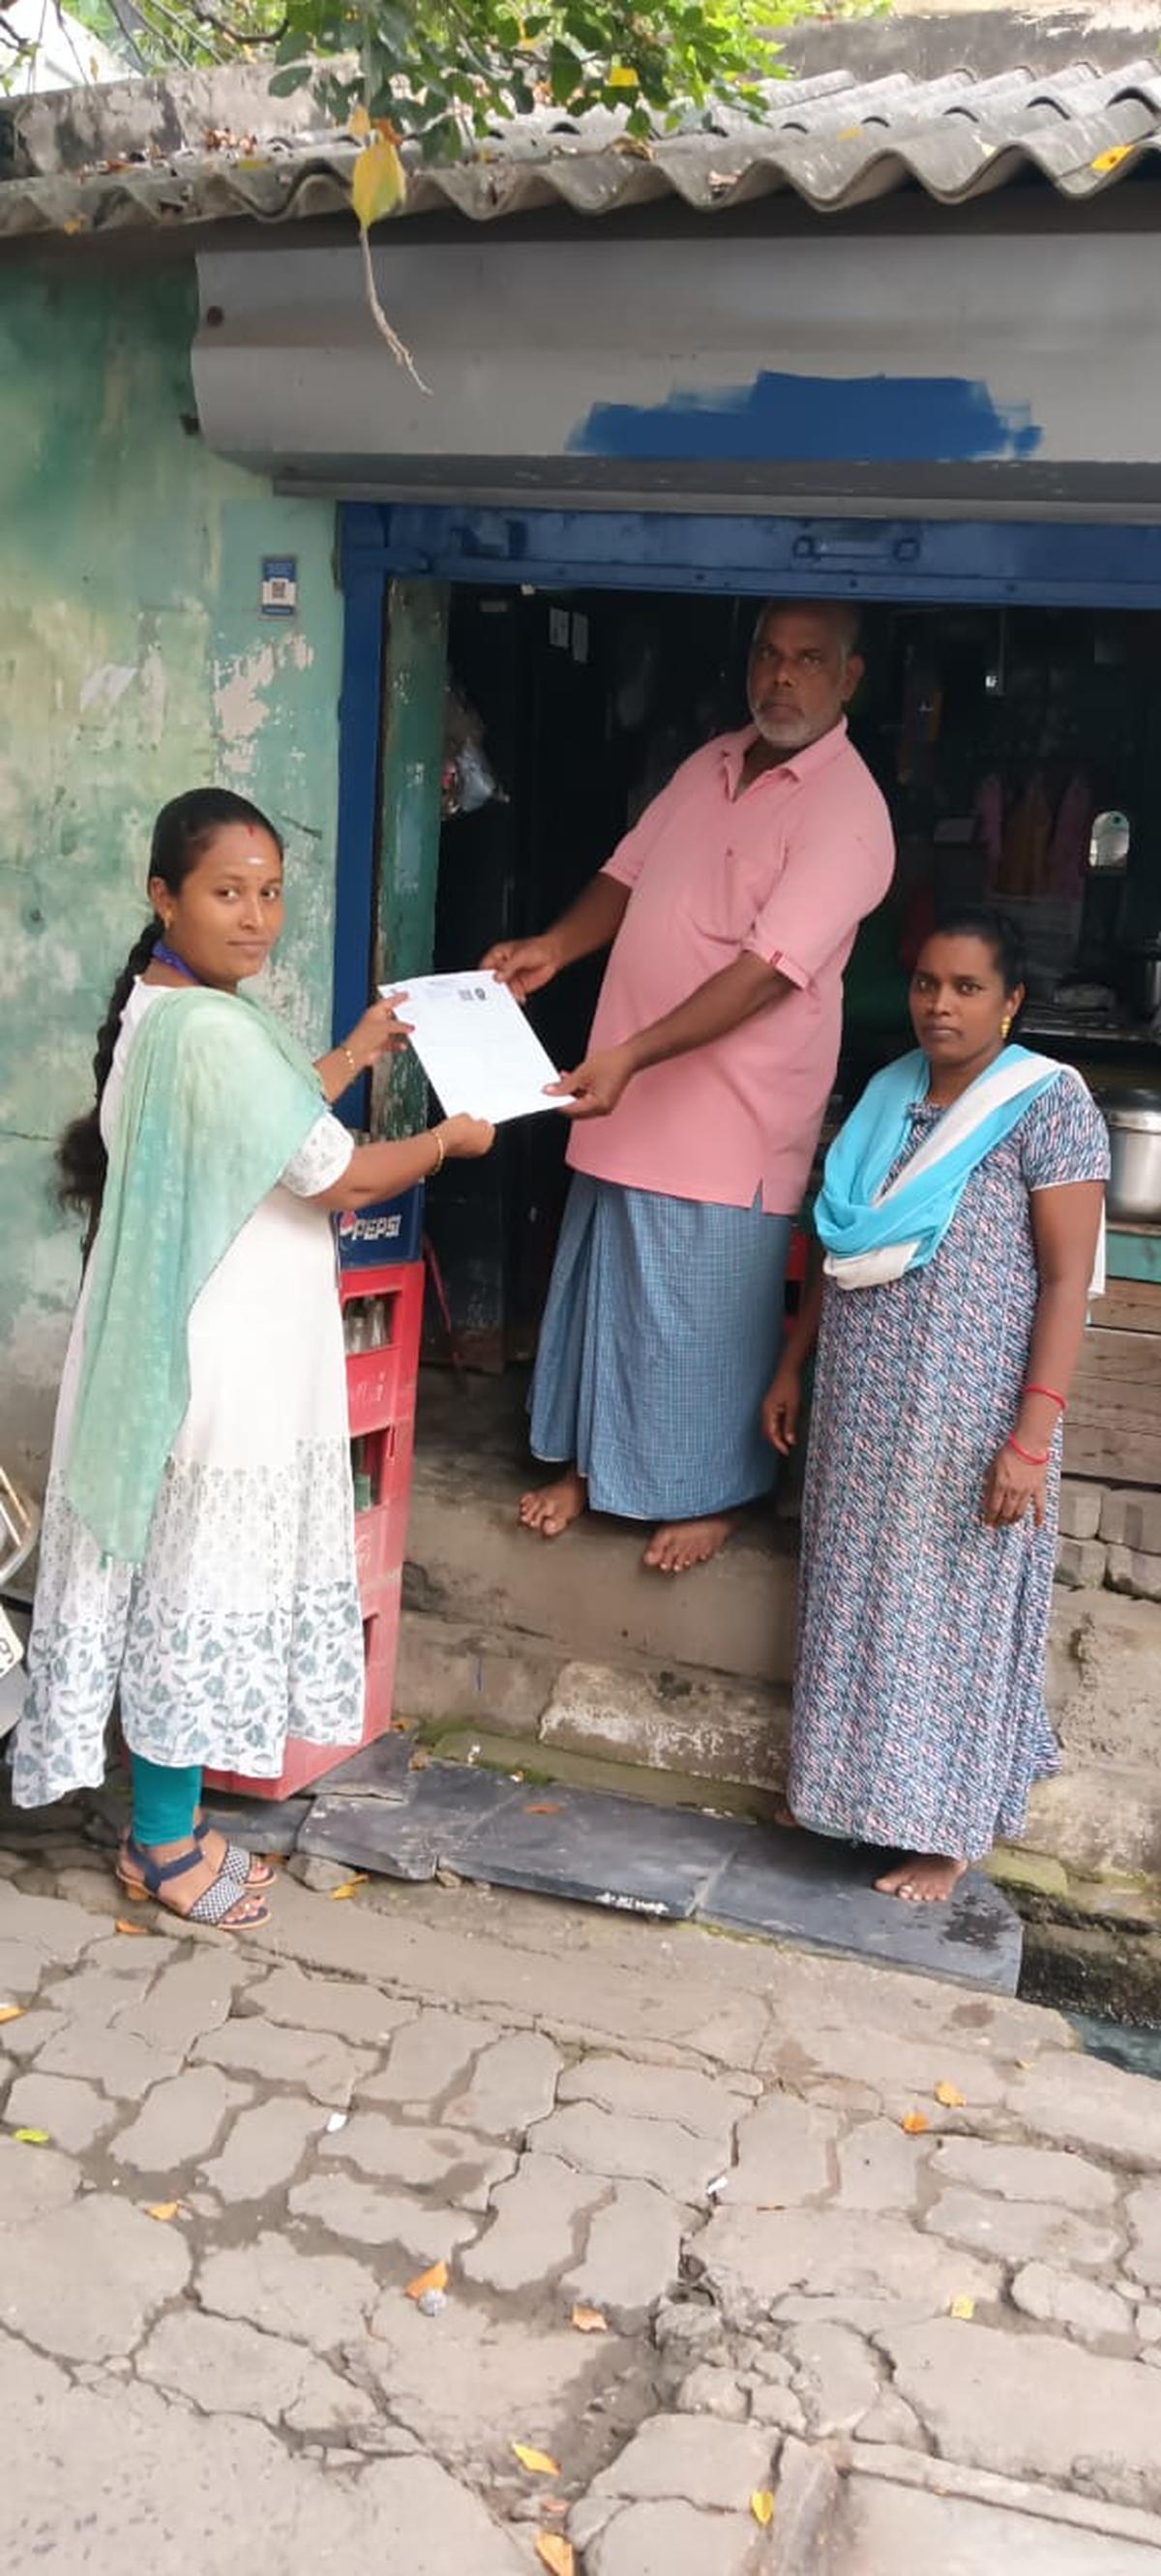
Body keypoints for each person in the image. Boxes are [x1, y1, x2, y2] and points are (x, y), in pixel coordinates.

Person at [15, 789, 492, 1929]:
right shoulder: (209, 1029)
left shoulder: (171, 1008)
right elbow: (333, 1174)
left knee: (188, 1587)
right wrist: (445, 1141)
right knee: (199, 1594)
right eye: (227, 891)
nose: (256, 917)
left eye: (270, 892)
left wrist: (355, 1050)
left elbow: (267, 1128)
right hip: (218, 1366)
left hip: (194, 1348)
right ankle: (162, 1846)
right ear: (164, 895)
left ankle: (168, 1823)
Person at [484, 600, 895, 1574]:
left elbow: (764, 974)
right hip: (627, 1093)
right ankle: (593, 1469)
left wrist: (632, 1055)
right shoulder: (710, 762)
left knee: (701, 1323)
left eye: (808, 660)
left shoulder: (850, 813)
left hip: (730, 1116)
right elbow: (627, 878)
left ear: (849, 678)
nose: (781, 676)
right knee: (609, 1301)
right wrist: (554, 946)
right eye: (769, 654)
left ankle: (717, 1496)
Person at [763, 909, 1108, 1904]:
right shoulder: (887, 1093)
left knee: (950, 1608)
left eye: (966, 988)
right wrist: (792, 1364)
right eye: (926, 983)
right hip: (865, 1405)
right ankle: (847, 1794)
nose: (940, 1004)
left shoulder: (1047, 1104)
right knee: (853, 1596)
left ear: (1011, 1002)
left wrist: (1031, 1437)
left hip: (971, 1411)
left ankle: (947, 1831)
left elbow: (1066, 1279)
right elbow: (845, 1247)